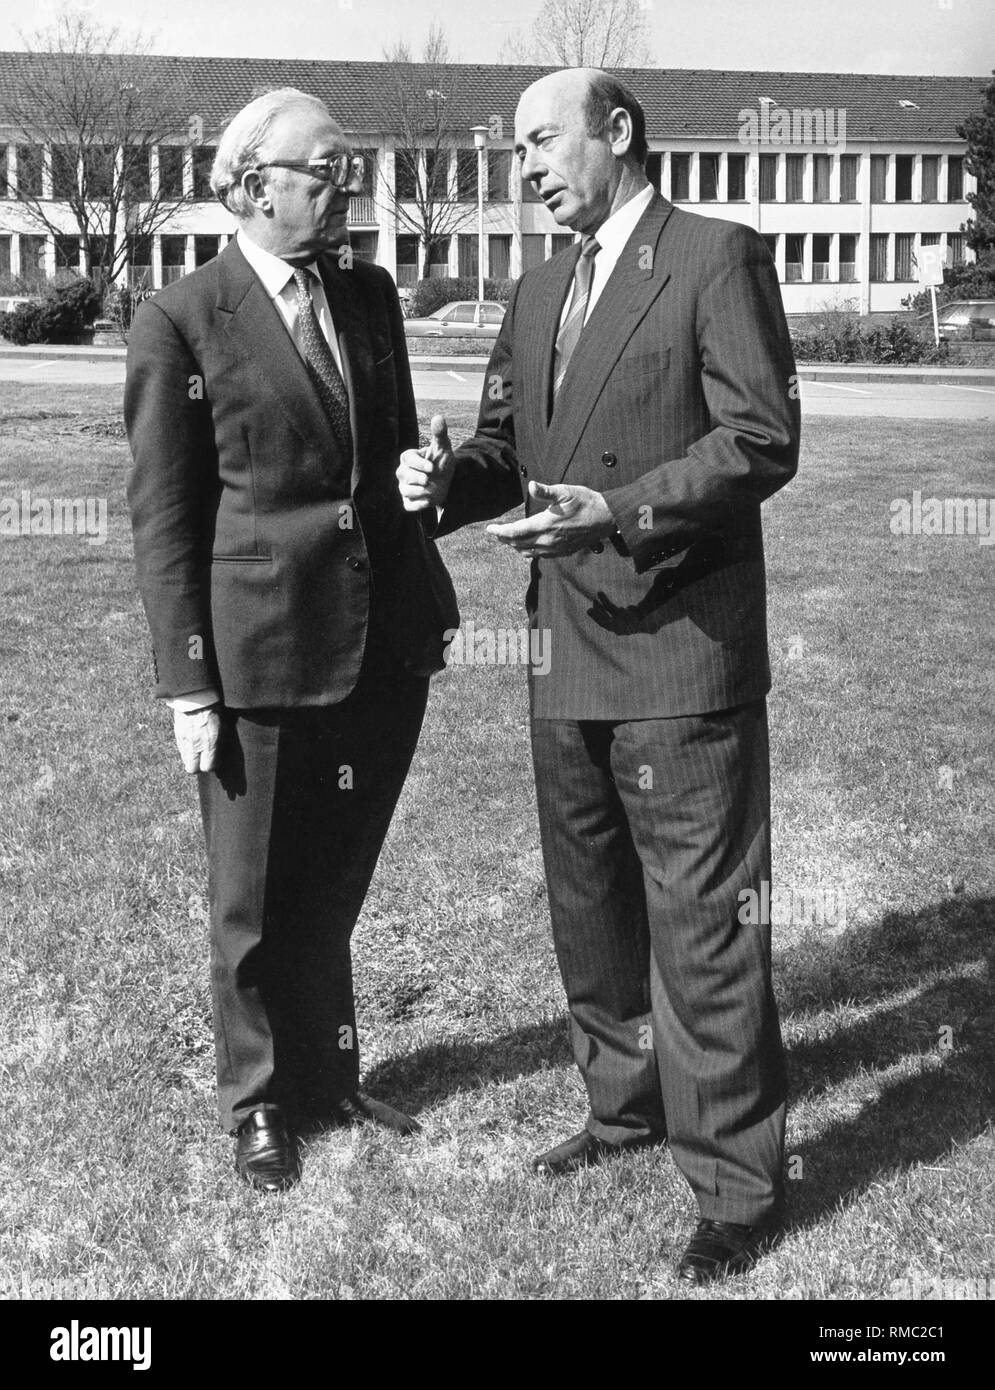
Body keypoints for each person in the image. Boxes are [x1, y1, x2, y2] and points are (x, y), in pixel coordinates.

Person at [398, 68, 801, 1282]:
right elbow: (506, 447)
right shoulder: (533, 289)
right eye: (514, 148)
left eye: (537, 141)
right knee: (591, 911)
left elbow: (760, 438)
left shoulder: (713, 256)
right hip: (559, 649)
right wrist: (448, 486)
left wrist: (616, 510)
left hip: (679, 649)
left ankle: (734, 1181)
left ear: (615, 133)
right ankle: (622, 1110)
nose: (522, 166)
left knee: (706, 923)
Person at [126, 88, 456, 1193]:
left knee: (334, 880)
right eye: (326, 171)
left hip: (380, 640)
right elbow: (166, 515)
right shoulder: (182, 316)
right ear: (254, 182)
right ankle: (259, 1101)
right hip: (259, 650)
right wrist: (188, 686)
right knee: (253, 895)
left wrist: (423, 483)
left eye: (348, 170)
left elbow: (395, 450)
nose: (344, 189)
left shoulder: (366, 295)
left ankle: (327, 1075)